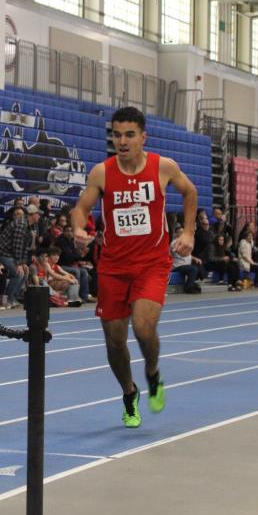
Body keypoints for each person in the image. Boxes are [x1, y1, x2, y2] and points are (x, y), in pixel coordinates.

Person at [70, 106, 197, 428]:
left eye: (129, 135)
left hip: (152, 263)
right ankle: (129, 392)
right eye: (117, 135)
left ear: (143, 137)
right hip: (113, 267)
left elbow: (190, 191)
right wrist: (78, 229)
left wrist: (188, 232)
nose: (122, 141)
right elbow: (81, 208)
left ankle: (152, 373)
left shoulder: (163, 167)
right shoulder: (102, 172)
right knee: (115, 341)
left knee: (142, 327)